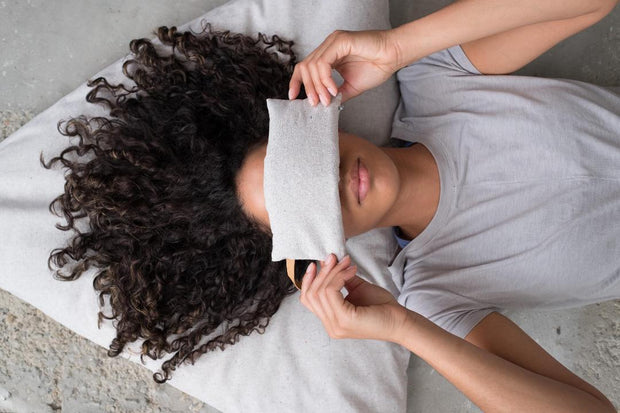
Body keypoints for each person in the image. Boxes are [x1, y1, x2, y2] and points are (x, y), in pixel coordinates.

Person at [248, 0, 618, 411]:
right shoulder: (432, 297)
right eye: (307, 203)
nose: (332, 180)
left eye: (308, 160)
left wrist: (396, 47)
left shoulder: (434, 78)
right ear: (316, 254)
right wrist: (402, 328)